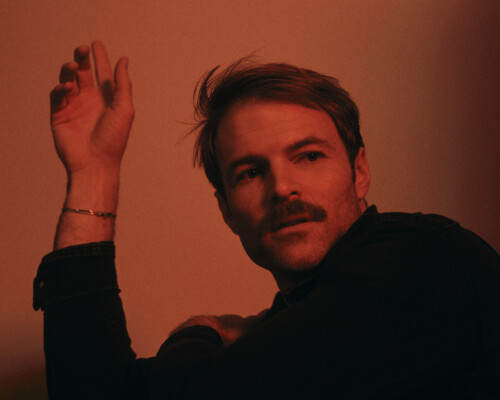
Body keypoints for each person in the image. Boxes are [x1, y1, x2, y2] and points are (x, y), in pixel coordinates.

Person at [34, 41, 500, 399]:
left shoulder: (424, 261)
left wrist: (202, 329)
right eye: (251, 172)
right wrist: (93, 175)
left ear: (359, 172)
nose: (282, 188)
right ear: (226, 210)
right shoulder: (292, 321)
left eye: (309, 156)